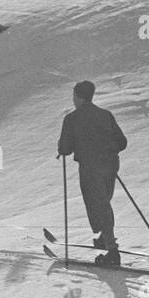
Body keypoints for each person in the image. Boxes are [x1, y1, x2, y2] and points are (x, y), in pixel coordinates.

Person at [57, 80, 128, 263]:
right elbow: (122, 142)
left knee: (99, 205)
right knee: (104, 201)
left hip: (91, 167)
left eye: (74, 96)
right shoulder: (106, 115)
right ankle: (105, 238)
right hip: (111, 164)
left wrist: (66, 148)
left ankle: (112, 252)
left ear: (79, 97)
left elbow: (65, 148)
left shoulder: (72, 119)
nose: (73, 99)